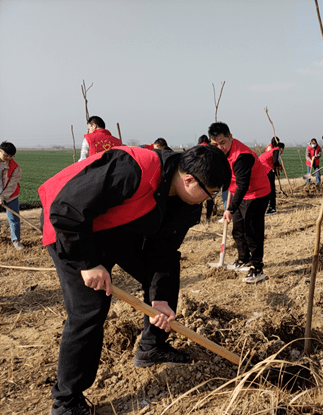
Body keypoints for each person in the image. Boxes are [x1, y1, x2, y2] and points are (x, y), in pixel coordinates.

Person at [39, 145, 231, 415]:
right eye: (209, 194)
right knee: (90, 309)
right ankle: (67, 402)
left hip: (120, 228)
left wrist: (160, 299)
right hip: (72, 227)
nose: (208, 200)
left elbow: (163, 252)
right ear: (189, 179)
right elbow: (67, 208)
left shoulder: (187, 205)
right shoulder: (135, 168)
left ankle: (153, 346)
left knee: (168, 272)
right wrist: (88, 263)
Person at [209, 122, 271, 284]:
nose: (220, 147)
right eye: (215, 144)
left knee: (252, 230)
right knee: (238, 229)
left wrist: (230, 209)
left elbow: (243, 186)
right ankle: (243, 258)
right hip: (238, 193)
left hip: (257, 193)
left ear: (230, 137)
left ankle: (257, 268)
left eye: (222, 142)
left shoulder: (242, 156)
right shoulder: (220, 153)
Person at [0, 141, 24, 250]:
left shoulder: (15, 168)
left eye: (11, 156)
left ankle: (16, 240)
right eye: (6, 155)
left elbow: (12, 185)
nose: (8, 158)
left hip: (10, 195)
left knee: (14, 218)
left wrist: (2, 197)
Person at [259, 142, 285, 215]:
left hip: (262, 169)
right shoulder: (277, 150)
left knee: (267, 189)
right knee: (271, 189)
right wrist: (279, 165)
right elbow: (275, 162)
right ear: (282, 148)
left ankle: (269, 207)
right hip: (266, 169)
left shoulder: (272, 150)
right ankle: (272, 208)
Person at [197, 135, 214, 221]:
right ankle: (208, 217)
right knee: (209, 198)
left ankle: (198, 218)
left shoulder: (197, 150)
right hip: (210, 177)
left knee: (199, 199)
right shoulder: (212, 150)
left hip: (199, 177)